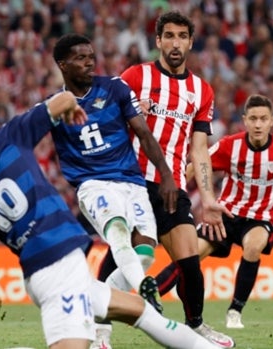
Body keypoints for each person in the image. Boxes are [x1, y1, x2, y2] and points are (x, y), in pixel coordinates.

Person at [0, 95, 222, 349]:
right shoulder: (9, 137)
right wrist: (70, 108)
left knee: (142, 314)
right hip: (58, 267)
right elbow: (62, 99)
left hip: (47, 270)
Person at [98, 11, 235, 348]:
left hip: (171, 186)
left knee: (189, 260)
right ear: (157, 40)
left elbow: (200, 150)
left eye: (182, 37)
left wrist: (210, 200)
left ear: (190, 42)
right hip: (131, 182)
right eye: (169, 36)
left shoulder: (201, 90)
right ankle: (98, 327)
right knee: (123, 250)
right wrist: (128, 114)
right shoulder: (135, 76)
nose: (175, 43)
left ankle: (196, 326)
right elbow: (102, 120)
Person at [49, 33, 178, 320]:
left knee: (144, 254)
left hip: (132, 182)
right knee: (117, 230)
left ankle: (95, 315)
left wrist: (166, 175)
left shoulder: (115, 88)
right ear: (62, 64)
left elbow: (144, 133)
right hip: (92, 184)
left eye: (90, 57)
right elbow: (25, 131)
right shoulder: (55, 107)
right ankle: (145, 286)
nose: (88, 63)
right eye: (80, 58)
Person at [155, 94, 273, 329]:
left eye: (263, 119)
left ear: (272, 121)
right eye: (253, 118)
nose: (258, 124)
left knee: (254, 246)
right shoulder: (229, 146)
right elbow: (197, 165)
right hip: (225, 215)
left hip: (260, 218)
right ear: (244, 120)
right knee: (189, 256)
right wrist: (173, 189)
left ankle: (235, 311)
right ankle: (151, 295)